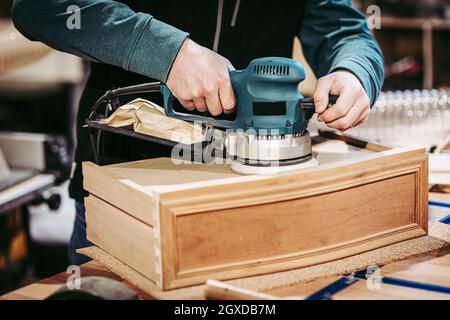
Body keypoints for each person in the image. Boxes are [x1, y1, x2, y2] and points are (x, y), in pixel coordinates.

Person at [11, 0, 384, 265]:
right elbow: (40, 8)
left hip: (253, 197)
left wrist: (354, 70)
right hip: (128, 197)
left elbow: (342, 28)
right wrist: (169, 53)